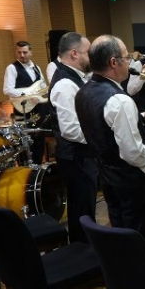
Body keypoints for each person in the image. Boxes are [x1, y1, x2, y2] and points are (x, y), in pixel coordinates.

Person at [75, 35, 145, 252]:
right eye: (126, 58)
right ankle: (143, 284)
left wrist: (142, 117)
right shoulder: (119, 100)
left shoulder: (84, 92)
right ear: (113, 62)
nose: (130, 63)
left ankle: (124, 282)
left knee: (121, 238)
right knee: (141, 242)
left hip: (109, 179)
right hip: (134, 185)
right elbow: (133, 154)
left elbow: (104, 128)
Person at [48, 32, 98, 244]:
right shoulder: (65, 84)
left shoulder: (74, 78)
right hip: (76, 157)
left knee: (85, 208)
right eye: (88, 53)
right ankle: (83, 255)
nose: (91, 58)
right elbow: (70, 130)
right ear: (75, 53)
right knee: (82, 211)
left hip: (80, 156)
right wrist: (101, 136)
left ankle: (86, 251)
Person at [2, 40, 49, 163]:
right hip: (23, 109)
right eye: (19, 52)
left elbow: (42, 87)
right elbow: (7, 90)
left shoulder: (37, 68)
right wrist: (27, 95)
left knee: (39, 140)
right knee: (26, 143)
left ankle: (38, 169)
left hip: (38, 108)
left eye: (25, 52)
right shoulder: (12, 68)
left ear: (31, 52)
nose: (22, 55)